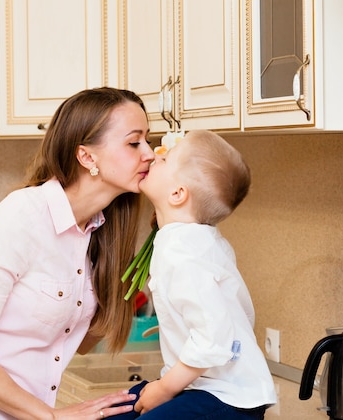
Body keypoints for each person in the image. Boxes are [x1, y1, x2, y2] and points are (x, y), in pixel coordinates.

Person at [0, 87, 155, 420]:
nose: (150, 154)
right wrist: (52, 417)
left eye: (148, 141)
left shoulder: (98, 230)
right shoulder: (19, 220)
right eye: (134, 142)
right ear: (87, 157)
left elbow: (74, 340)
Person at [114, 130, 278, 419]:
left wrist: (164, 389)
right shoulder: (190, 239)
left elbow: (212, 339)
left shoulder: (184, 252)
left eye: (166, 160)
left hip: (227, 397)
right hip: (207, 386)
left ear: (178, 194)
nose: (155, 155)